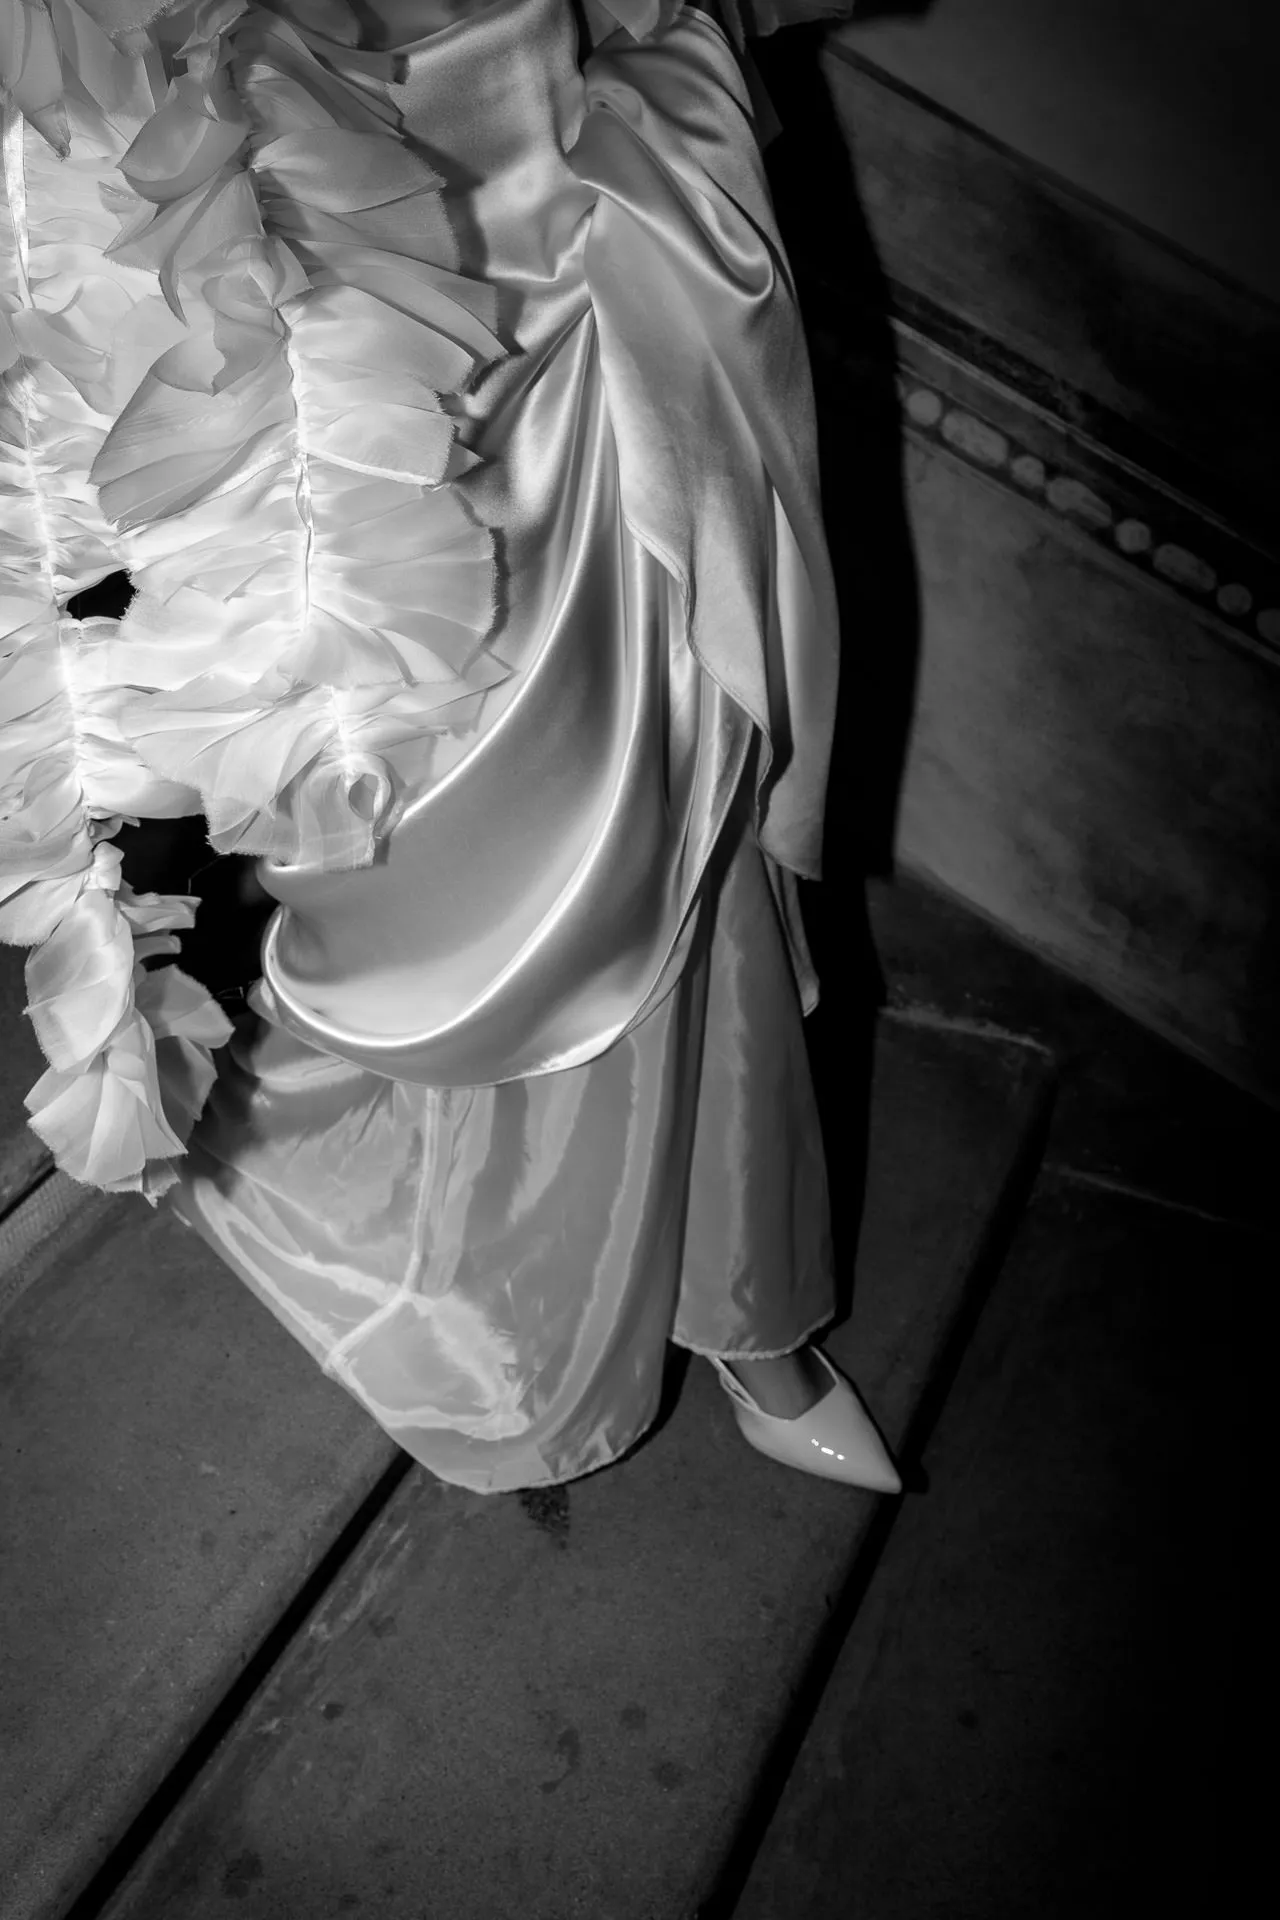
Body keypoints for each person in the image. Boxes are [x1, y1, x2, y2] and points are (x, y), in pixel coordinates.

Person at [1, 0, 899, 1494]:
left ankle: (746, 1298)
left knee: (658, 748)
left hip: (564, 183)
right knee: (388, 753)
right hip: (303, 171)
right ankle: (483, 1224)